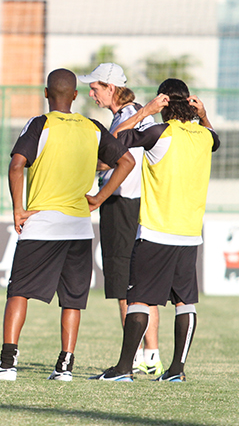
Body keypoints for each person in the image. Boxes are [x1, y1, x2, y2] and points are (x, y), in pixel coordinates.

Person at [0, 68, 134, 381]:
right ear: (75, 96)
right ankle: (65, 368)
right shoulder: (92, 127)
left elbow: (17, 165)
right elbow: (126, 161)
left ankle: (7, 365)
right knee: (72, 299)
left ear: (46, 94)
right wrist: (100, 198)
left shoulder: (40, 124)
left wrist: (17, 209)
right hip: (78, 226)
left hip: (42, 224)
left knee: (18, 293)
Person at [92, 79, 219, 382]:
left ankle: (123, 370)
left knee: (138, 300)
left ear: (163, 103)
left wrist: (144, 111)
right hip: (190, 234)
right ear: (190, 103)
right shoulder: (203, 135)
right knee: (185, 302)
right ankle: (177, 370)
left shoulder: (160, 132)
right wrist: (202, 115)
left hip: (156, 231)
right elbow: (215, 140)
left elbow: (115, 142)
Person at [79, 63, 164, 376]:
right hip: (137, 206)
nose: (91, 93)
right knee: (140, 287)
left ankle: (134, 358)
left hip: (122, 206)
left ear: (110, 88)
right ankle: (151, 355)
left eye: (95, 87)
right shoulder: (133, 114)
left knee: (125, 288)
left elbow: (115, 148)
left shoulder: (131, 116)